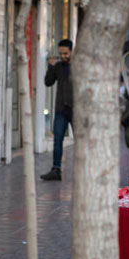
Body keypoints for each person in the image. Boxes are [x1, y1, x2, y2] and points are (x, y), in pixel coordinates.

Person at [40, 39, 74, 181]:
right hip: (61, 109)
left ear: (71, 51)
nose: (63, 56)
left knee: (83, 141)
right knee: (57, 140)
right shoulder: (58, 66)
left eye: (65, 53)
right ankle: (56, 170)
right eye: (60, 53)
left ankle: (85, 170)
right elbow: (48, 82)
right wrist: (51, 67)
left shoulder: (79, 66)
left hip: (76, 110)